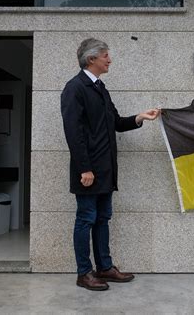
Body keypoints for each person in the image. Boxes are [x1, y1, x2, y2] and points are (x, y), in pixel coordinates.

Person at [61, 38, 161, 291]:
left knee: (103, 217)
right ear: (91, 58)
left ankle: (104, 267)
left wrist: (140, 117)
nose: (110, 60)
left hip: (105, 170)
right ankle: (84, 273)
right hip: (88, 170)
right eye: (106, 55)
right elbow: (73, 132)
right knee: (86, 219)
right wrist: (84, 168)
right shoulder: (75, 88)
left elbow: (115, 122)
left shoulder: (100, 88)